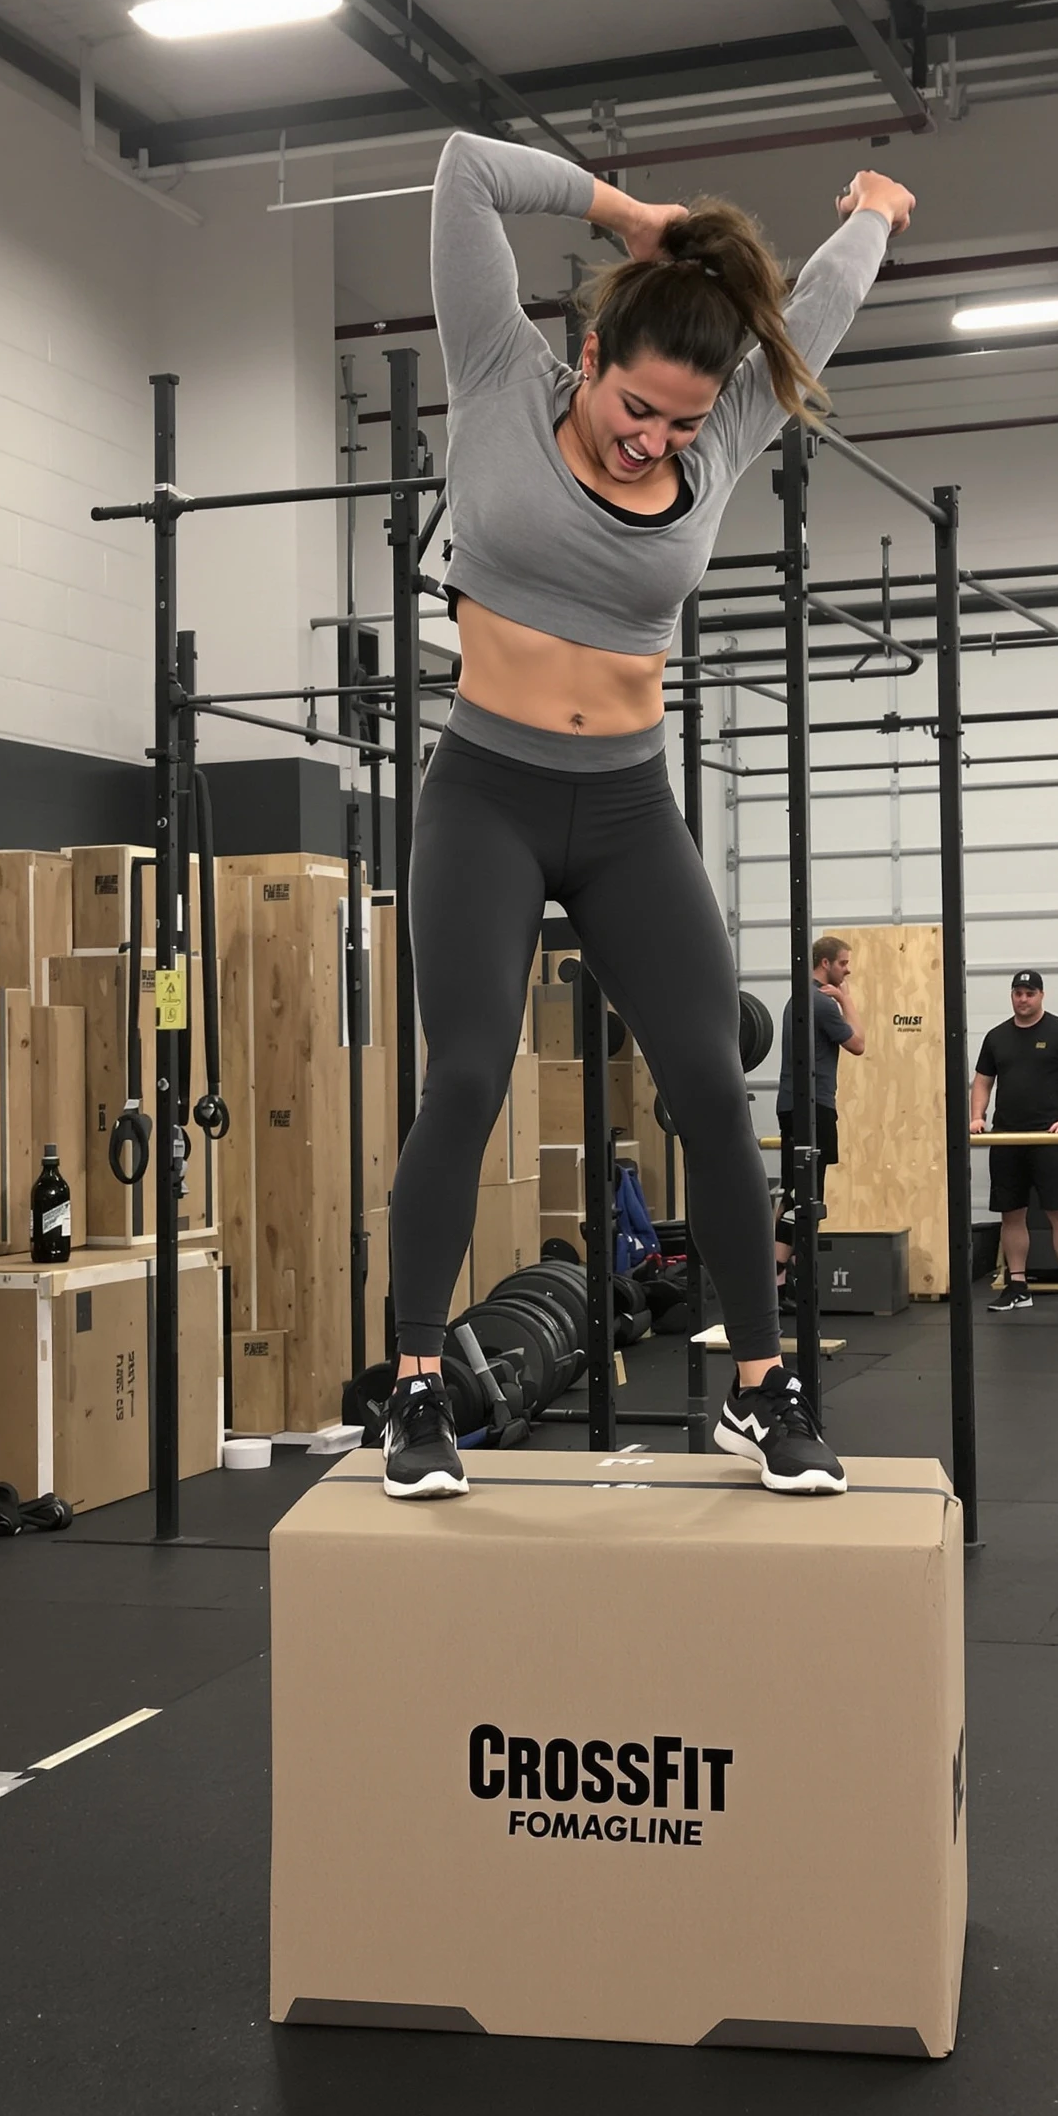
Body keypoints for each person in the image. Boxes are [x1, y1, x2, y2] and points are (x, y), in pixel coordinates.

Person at [381, 130, 915, 1500]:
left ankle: (760, 1389)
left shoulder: (722, 432)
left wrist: (872, 216)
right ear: (596, 353)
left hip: (626, 806)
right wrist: (627, 209)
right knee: (469, 1076)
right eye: (639, 408)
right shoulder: (499, 372)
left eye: (682, 423)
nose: (656, 439)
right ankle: (416, 1390)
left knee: (710, 1090)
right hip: (487, 793)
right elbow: (461, 170)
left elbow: (829, 312)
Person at [970, 971, 1058, 1317]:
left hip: (1048, 1137)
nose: (1023, 999)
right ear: (1011, 996)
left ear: (1041, 995)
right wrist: (977, 1116)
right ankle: (1018, 1286)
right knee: (1011, 1214)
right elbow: (981, 1082)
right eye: (1017, 993)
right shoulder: (996, 1037)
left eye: (1029, 993)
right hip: (1008, 1136)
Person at [774, 936, 864, 1299]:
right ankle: (778, 1278)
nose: (847, 970)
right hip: (812, 1107)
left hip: (794, 1106)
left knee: (795, 1192)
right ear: (825, 963)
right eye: (843, 963)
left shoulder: (795, 999)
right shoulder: (823, 1003)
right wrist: (846, 999)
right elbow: (859, 1043)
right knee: (803, 1195)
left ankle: (783, 1279)